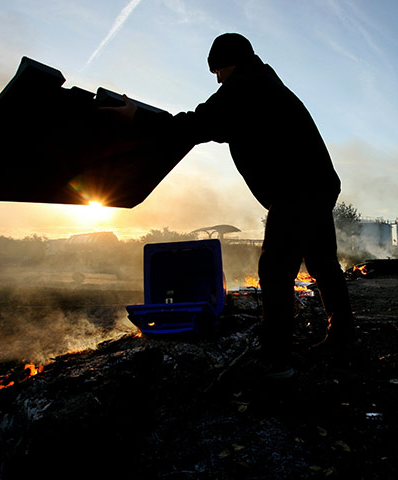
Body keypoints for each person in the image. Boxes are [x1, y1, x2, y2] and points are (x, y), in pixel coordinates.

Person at [109, 33, 357, 378]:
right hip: (315, 185)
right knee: (323, 263)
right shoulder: (264, 84)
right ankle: (343, 337)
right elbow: (216, 124)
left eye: (217, 71)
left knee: (274, 269)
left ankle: (276, 352)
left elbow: (196, 124)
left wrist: (137, 118)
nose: (217, 79)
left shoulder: (246, 86)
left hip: (297, 189)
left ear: (226, 63)